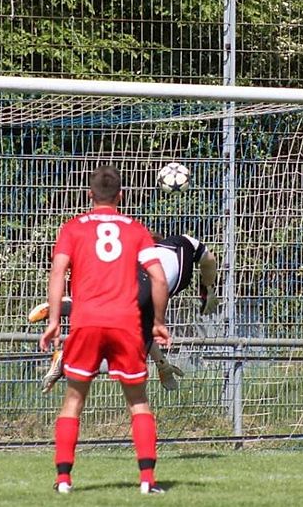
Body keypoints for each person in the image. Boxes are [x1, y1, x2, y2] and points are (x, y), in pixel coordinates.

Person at [38, 165, 171, 495]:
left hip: (86, 322)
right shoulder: (137, 230)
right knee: (138, 401)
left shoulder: (73, 228)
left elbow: (57, 273)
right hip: (125, 323)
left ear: (89, 195)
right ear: (121, 196)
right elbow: (158, 278)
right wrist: (157, 321)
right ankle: (147, 481)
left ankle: (64, 480)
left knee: (73, 400)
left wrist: (55, 320)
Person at [30, 233, 219, 392]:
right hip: (146, 287)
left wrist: (164, 366)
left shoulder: (146, 254)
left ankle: (67, 346)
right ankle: (70, 312)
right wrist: (209, 290)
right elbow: (209, 262)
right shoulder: (185, 242)